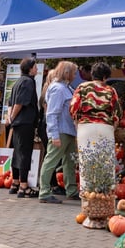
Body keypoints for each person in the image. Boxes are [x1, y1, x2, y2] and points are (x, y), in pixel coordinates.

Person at [70, 62, 120, 200]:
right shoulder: (110, 90)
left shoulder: (82, 87)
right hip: (105, 127)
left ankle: (87, 196)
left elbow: (73, 107)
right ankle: (106, 195)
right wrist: (112, 127)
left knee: (86, 161)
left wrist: (77, 122)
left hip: (85, 127)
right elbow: (117, 113)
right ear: (105, 77)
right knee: (106, 162)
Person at [39, 61, 79, 204]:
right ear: (66, 73)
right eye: (74, 73)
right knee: (51, 160)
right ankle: (44, 192)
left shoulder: (65, 88)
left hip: (68, 131)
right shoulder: (58, 89)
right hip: (61, 131)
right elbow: (52, 113)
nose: (75, 75)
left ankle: (71, 190)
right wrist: (54, 135)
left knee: (70, 162)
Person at [7, 58, 39, 198]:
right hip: (25, 122)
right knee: (25, 153)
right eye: (35, 67)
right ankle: (23, 186)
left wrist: (10, 117)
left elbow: (10, 102)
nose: (37, 69)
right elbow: (19, 103)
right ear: (30, 69)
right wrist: (13, 117)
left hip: (18, 123)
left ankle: (15, 183)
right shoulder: (28, 82)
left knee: (17, 152)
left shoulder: (18, 81)